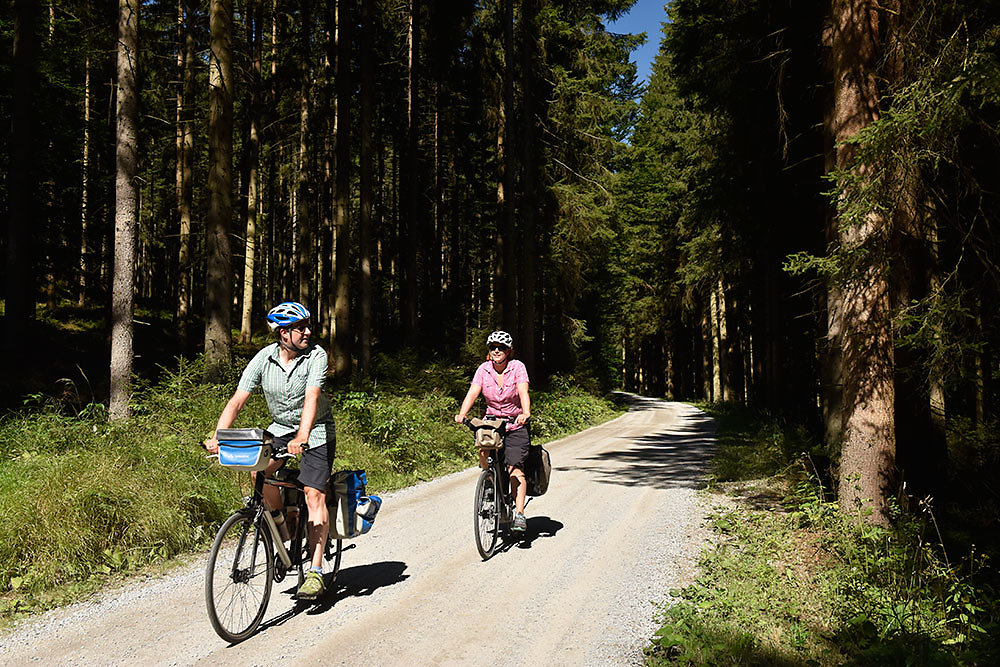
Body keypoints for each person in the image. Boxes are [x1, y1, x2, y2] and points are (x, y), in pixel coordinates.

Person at [203, 301, 335, 600]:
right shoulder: (264, 358)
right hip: (279, 428)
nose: (307, 332)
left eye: (307, 326)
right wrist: (218, 436)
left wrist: (303, 436)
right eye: (300, 328)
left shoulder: (316, 356)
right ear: (283, 333)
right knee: (257, 471)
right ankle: (281, 529)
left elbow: (312, 398)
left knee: (314, 494)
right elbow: (238, 400)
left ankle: (315, 572)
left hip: (316, 431)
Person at [454, 330, 532, 533]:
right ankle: (489, 483)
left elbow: (523, 391)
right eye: (493, 347)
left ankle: (520, 514)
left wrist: (525, 412)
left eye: (501, 348)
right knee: (483, 450)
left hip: (515, 423)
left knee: (514, 468)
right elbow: (473, 392)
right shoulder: (483, 369)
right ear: (489, 351)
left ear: (509, 351)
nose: (497, 351)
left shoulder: (518, 368)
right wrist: (462, 414)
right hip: (492, 423)